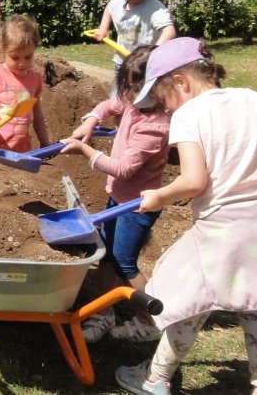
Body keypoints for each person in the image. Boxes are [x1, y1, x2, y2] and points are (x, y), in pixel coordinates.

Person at [113, 37, 257, 395]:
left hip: (222, 229)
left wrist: (159, 195)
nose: (165, 108)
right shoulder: (251, 98)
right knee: (256, 305)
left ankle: (155, 380)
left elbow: (193, 181)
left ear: (181, 82)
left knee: (188, 301)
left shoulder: (189, 115)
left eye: (163, 99)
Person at [60, 45, 167, 344]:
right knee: (107, 257)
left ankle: (149, 322)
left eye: (136, 89)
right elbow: (110, 105)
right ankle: (103, 313)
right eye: (128, 88)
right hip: (118, 198)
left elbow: (122, 169)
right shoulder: (136, 103)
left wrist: (85, 150)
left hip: (137, 206)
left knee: (125, 263)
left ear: (159, 86)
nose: (129, 96)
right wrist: (91, 121)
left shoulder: (156, 127)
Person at [0, 14, 51, 152]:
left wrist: (45, 141)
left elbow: (37, 114)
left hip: (22, 150)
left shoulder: (35, 79)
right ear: (3, 50)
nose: (22, 63)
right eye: (15, 57)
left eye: (28, 57)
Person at [93, 0, 176, 75]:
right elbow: (109, 8)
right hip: (122, 62)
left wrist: (153, 52)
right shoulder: (116, 1)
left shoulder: (155, 8)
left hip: (145, 65)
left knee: (143, 93)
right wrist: (103, 28)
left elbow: (169, 31)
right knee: (119, 93)